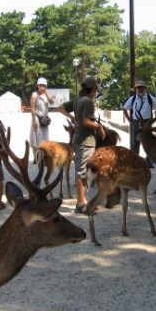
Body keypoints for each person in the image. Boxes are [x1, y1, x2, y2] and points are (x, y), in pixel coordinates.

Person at [58, 76, 105, 214]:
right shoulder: (88, 102)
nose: (96, 92)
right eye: (96, 89)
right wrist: (99, 127)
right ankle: (80, 203)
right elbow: (86, 121)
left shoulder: (77, 100)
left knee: (81, 170)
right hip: (86, 140)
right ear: (93, 89)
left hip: (77, 139)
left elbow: (60, 108)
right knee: (82, 172)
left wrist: (73, 118)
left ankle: (83, 200)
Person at [122, 80, 156, 166]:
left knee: (149, 143)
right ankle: (135, 161)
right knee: (135, 143)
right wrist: (130, 120)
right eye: (138, 88)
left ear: (145, 88)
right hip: (136, 123)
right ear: (136, 89)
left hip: (147, 123)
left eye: (142, 87)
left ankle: (149, 162)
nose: (140, 89)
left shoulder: (150, 98)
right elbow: (124, 108)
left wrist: (155, 118)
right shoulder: (133, 99)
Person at [30, 77, 55, 160]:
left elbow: (51, 102)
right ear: (37, 85)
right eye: (41, 85)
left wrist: (46, 93)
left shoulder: (46, 95)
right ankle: (36, 157)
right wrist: (34, 121)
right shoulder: (34, 95)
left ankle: (43, 156)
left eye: (44, 85)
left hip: (45, 119)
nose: (42, 87)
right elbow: (32, 108)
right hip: (37, 118)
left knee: (45, 138)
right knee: (35, 137)